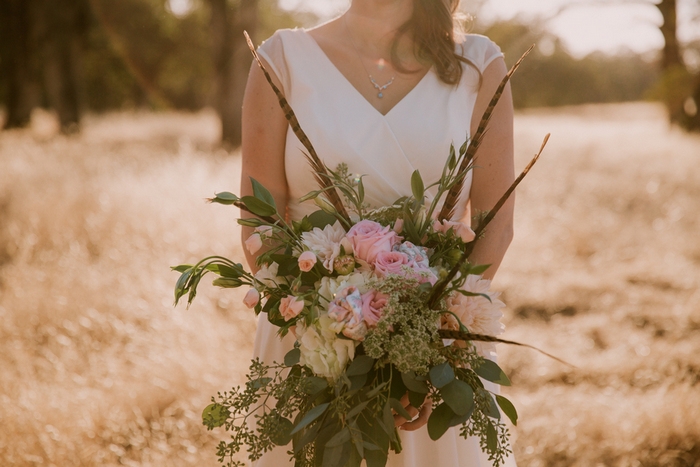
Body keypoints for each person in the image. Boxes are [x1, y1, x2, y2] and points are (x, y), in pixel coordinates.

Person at [240, 0, 516, 465]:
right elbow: (260, 222)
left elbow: (495, 224)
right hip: (312, 345)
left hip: (439, 349)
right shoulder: (281, 60)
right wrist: (333, 334)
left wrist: (425, 349)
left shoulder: (480, 66)